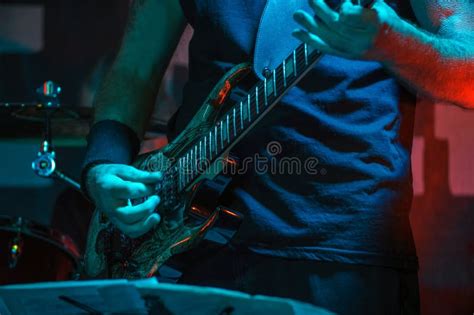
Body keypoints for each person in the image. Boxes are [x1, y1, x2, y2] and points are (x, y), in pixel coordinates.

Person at [81, 0, 473, 314]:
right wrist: (104, 160)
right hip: (187, 244)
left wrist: (395, 43)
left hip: (337, 251)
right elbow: (134, 67)